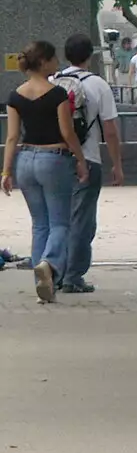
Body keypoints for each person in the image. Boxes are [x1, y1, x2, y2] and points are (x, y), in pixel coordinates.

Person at [2, 41, 90, 302]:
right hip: (54, 158)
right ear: (43, 62)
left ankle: (43, 287)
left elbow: (12, 137)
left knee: (40, 224)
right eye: (53, 59)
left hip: (25, 160)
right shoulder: (57, 95)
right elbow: (67, 132)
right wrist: (81, 158)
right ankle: (49, 266)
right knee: (60, 222)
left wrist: (6, 171)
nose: (57, 63)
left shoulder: (15, 95)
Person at [53, 34, 124, 294]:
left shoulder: (53, 81)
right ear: (89, 56)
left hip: (55, 158)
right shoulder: (98, 84)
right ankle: (73, 276)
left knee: (57, 219)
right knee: (82, 221)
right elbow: (111, 129)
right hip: (88, 157)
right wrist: (116, 164)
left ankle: (53, 270)